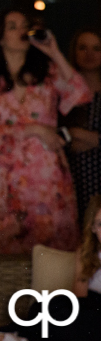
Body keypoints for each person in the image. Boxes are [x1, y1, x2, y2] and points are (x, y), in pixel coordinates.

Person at [0, 10, 91, 254]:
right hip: (9, 175)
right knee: (11, 250)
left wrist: (54, 52)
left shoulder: (47, 72)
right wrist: (35, 129)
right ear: (0, 37)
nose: (20, 31)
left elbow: (81, 94)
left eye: (23, 26)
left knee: (53, 248)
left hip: (47, 174)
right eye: (12, 26)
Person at [0, 194, 101, 341]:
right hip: (88, 313)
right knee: (47, 307)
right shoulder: (86, 253)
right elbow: (78, 300)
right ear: (92, 227)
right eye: (100, 224)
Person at [65, 29, 101, 221]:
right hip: (73, 176)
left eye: (96, 48)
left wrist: (81, 135)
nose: (89, 54)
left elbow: (75, 134)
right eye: (83, 48)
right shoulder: (65, 92)